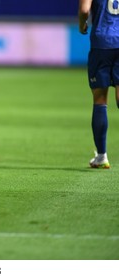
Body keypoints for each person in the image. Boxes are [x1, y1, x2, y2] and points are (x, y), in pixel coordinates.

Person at [79, 0, 119, 169]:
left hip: (102, 43)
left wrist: (82, 24)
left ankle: (101, 156)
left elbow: (84, 9)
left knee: (100, 100)